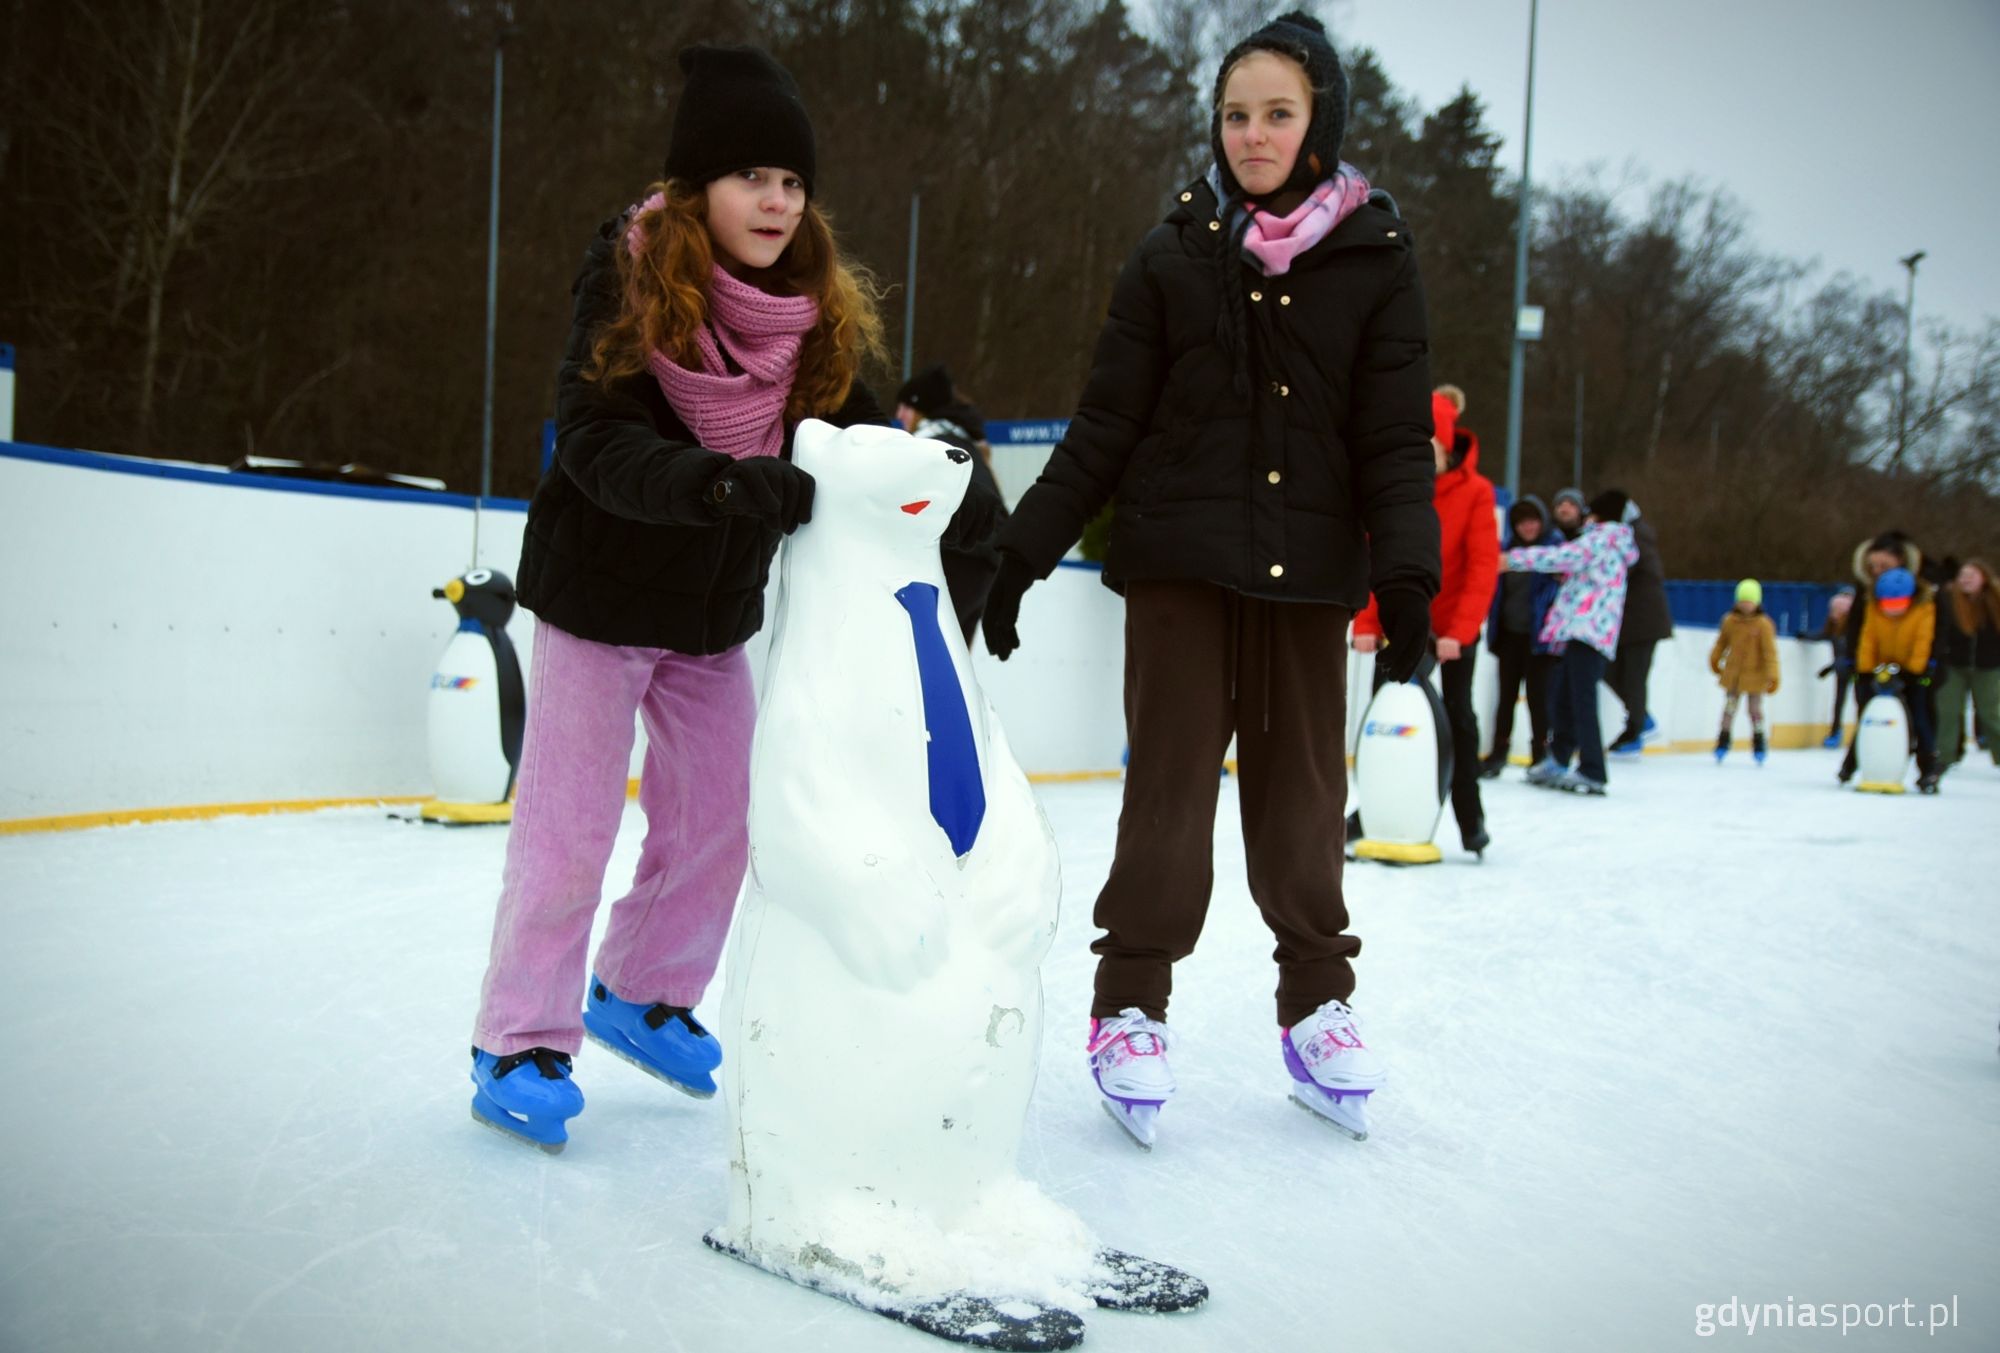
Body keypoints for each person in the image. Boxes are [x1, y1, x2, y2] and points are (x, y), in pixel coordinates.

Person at [464, 44, 994, 1153]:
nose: (774, 200)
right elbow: (593, 439)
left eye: (792, 183)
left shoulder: (810, 316)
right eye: (751, 175)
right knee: (566, 838)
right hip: (598, 602)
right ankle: (519, 1040)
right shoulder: (630, 277)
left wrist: (958, 497)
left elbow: (866, 437)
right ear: (699, 184)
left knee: (719, 820)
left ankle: (639, 992)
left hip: (708, 622)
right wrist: (713, 482)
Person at [978, 10, 1440, 1144]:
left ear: (1318, 122)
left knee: (1299, 807)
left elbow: (1390, 439)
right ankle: (1129, 1003)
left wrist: (1410, 582)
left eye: (1276, 113)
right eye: (1234, 115)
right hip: (1178, 565)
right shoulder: (1170, 257)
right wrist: (1019, 552)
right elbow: (1103, 426)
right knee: (1168, 798)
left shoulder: (1374, 261)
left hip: (1309, 575)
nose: (1251, 135)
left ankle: (1317, 1007)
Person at [1351, 387, 1499, 854]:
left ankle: (1467, 813)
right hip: (1401, 625)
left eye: (1427, 449)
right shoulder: (1394, 490)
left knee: (1456, 718)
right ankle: (1374, 809)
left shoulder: (1476, 493)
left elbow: (1481, 567)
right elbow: (1377, 558)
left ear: (1445, 446)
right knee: (1386, 723)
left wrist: (1458, 632)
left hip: (1454, 628)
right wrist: (1368, 623)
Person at [1500, 490, 1638, 794]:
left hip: (1587, 630)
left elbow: (1561, 556)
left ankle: (1592, 769)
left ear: (1599, 515)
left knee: (1580, 701)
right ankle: (1560, 757)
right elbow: (1578, 569)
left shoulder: (1602, 538)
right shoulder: (1608, 542)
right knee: (1561, 697)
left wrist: (1512, 559)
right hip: (1582, 630)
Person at [895, 363, 1009, 643]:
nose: (899, 415)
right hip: (988, 561)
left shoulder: (931, 445)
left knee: (923, 649)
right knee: (954, 656)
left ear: (920, 409)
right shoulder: (967, 445)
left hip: (960, 554)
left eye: (905, 407)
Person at [1480, 494, 1562, 777]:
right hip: (1509, 635)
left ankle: (1540, 753)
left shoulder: (1555, 552)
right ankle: (1498, 751)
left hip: (1540, 640)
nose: (1527, 527)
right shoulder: (1506, 551)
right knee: (1506, 697)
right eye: (1521, 523)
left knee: (1539, 700)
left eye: (1532, 522)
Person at [1849, 566, 1940, 793]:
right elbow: (1868, 639)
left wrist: (1915, 670)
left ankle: (1929, 768)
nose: (1892, 611)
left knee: (1919, 718)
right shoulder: (1873, 608)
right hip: (1882, 670)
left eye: (1898, 606)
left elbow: (1923, 640)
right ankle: (1851, 765)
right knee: (1868, 715)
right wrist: (1865, 669)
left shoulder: (1924, 610)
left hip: (1912, 673)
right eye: (1888, 606)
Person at [1605, 495, 1673, 756]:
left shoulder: (1635, 535)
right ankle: (1640, 719)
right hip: (1630, 622)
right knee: (1611, 670)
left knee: (1633, 677)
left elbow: (1624, 568)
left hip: (1643, 622)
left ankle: (1635, 728)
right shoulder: (1632, 532)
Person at [1935, 558, 2000, 773]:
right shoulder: (1947, 600)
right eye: (1963, 575)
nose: (1966, 579)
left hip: (1988, 666)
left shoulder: (1995, 600)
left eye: (1972, 575)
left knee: (1991, 712)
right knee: (1948, 710)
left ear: (1984, 578)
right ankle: (1945, 755)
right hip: (1954, 664)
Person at [1709, 578, 1780, 764]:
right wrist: (1715, 659)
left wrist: (1773, 675)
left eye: (1749, 601)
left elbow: (1769, 652)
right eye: (1742, 600)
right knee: (1729, 709)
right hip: (1734, 676)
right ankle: (1722, 743)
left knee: (1755, 711)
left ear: (1757, 602)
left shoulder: (1763, 624)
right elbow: (1721, 643)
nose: (1745, 605)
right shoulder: (1730, 621)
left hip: (1755, 677)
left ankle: (1759, 743)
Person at [1802, 586, 1855, 747]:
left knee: (1859, 701)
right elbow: (1821, 635)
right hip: (1840, 670)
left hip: (1854, 669)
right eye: (1834, 611)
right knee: (1839, 700)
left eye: (1839, 612)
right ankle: (1835, 732)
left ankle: (1860, 735)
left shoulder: (1853, 631)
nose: (1835, 615)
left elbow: (1849, 656)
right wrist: (1804, 635)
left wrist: (1829, 668)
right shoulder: (1833, 629)